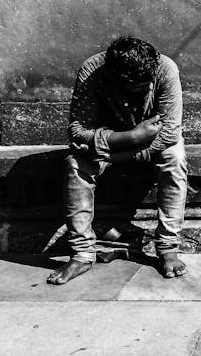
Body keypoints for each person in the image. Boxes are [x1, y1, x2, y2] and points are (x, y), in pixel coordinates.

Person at [47, 36, 188, 285]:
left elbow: (168, 134)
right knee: (74, 164)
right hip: (113, 139)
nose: (145, 89)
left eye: (148, 83)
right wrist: (130, 136)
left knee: (175, 158)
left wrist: (112, 156)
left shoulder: (165, 69)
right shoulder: (93, 71)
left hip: (141, 144)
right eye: (137, 86)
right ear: (117, 77)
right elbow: (78, 131)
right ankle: (81, 253)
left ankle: (167, 247)